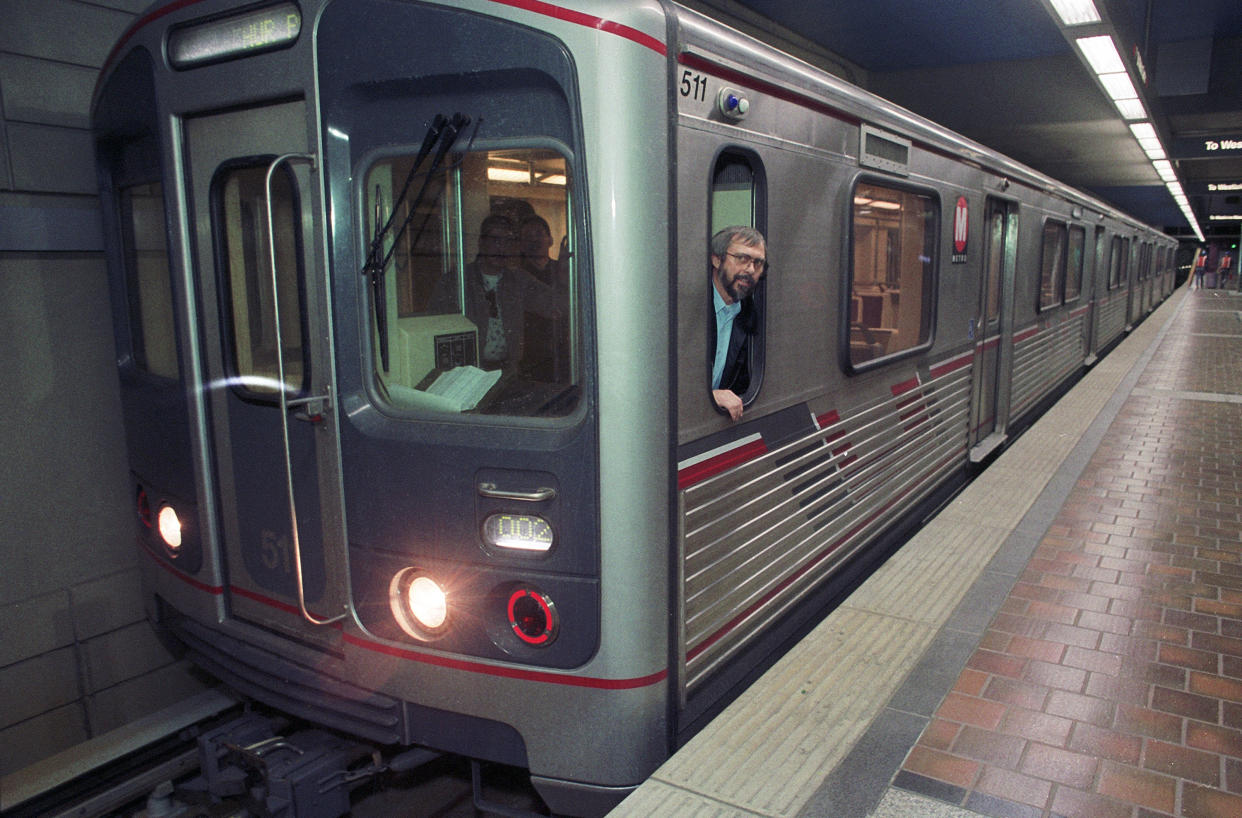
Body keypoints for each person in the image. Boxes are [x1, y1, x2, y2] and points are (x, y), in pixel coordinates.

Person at [463, 214, 559, 373]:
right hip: (470, 374)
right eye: (495, 240)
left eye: (508, 241)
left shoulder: (518, 279)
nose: (501, 247)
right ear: (481, 242)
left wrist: (564, 277)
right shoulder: (460, 280)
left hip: (508, 373)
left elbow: (556, 304)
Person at [710, 225, 767, 421]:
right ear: (717, 259)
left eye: (758, 263)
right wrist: (710, 396)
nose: (750, 270)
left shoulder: (749, 316)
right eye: (742, 259)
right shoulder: (686, 308)